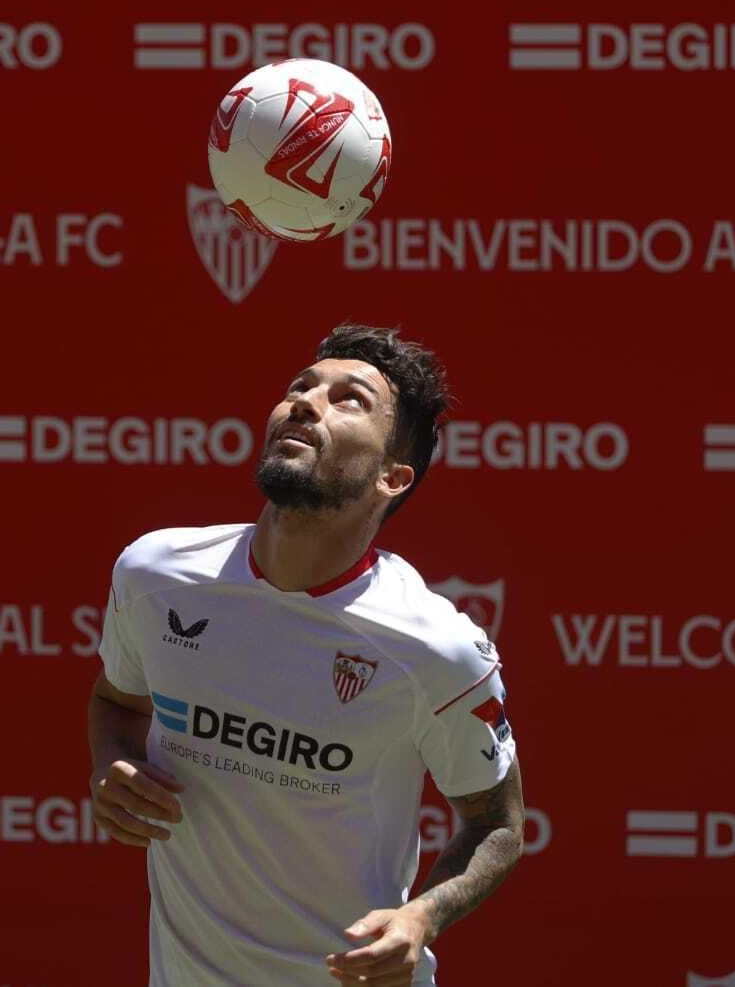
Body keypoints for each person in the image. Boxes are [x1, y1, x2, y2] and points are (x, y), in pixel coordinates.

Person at [87, 323, 524, 986]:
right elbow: (116, 700)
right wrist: (110, 761)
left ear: (391, 477)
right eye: (301, 387)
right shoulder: (155, 573)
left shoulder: (437, 649)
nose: (305, 403)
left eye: (349, 400)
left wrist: (421, 918)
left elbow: (498, 826)